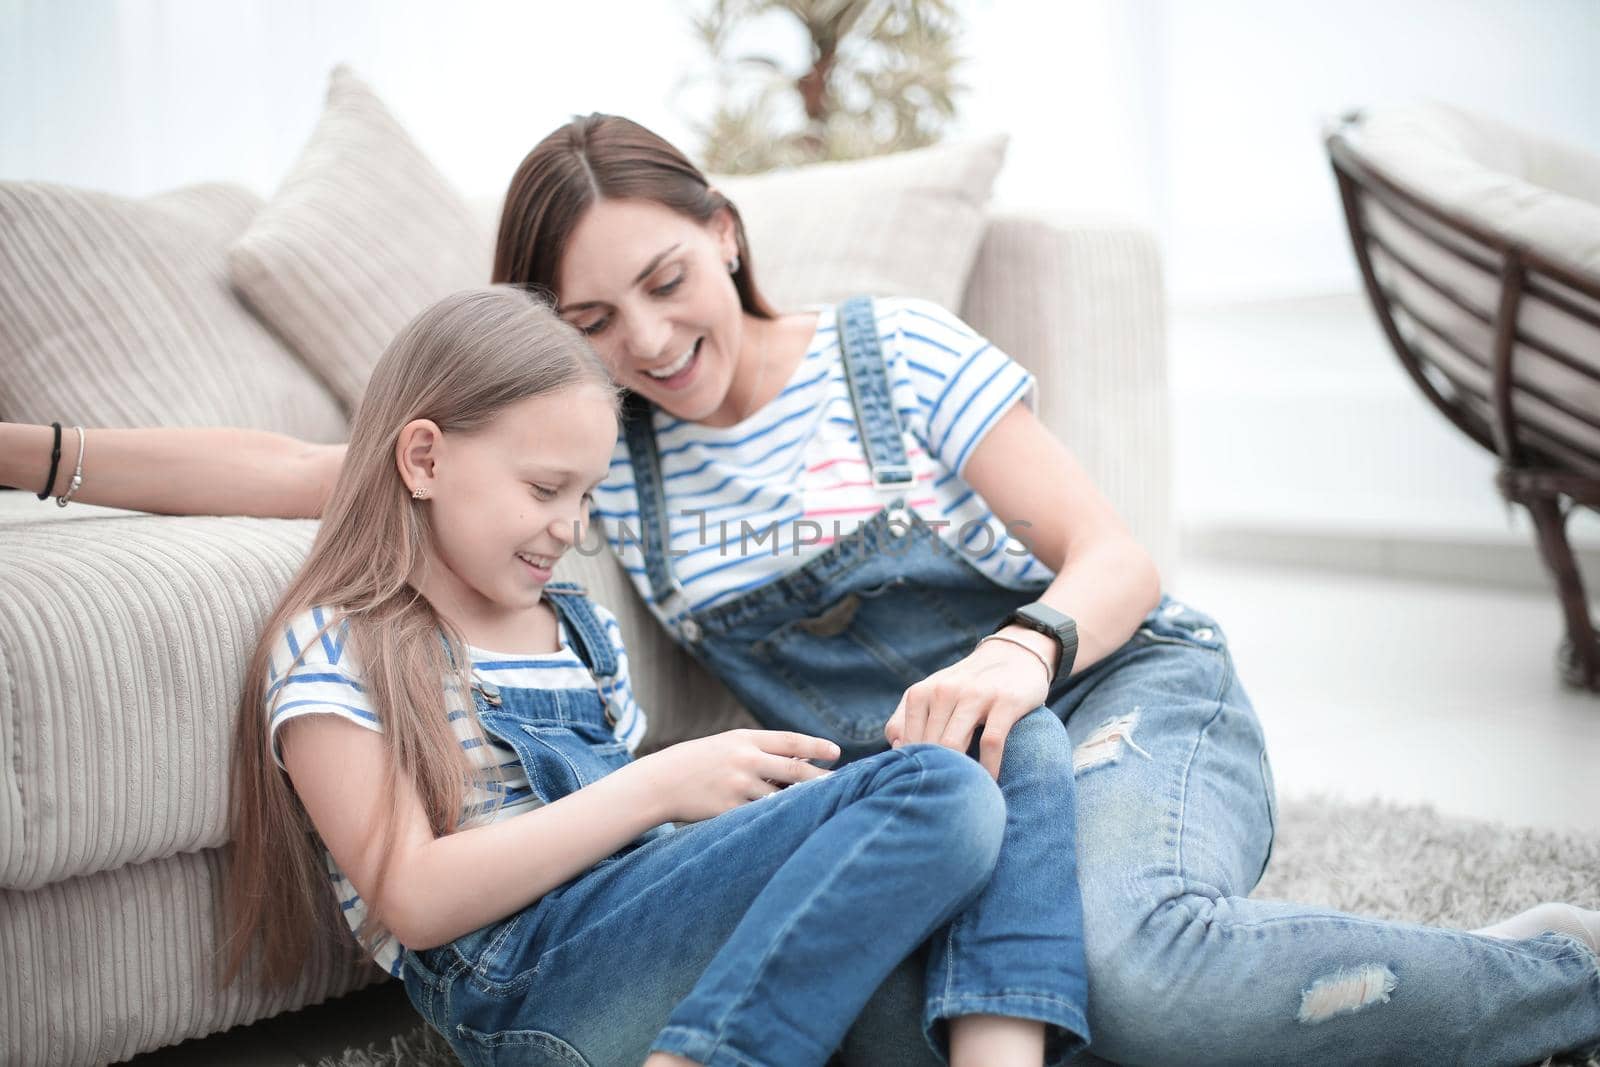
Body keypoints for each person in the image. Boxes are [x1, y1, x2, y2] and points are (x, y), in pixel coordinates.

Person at [3, 113, 1599, 1064]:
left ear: (726, 231)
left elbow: (1116, 558)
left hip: (1121, 694)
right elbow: (300, 467)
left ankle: (1556, 971)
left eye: (666, 280)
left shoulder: (888, 355)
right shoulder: (601, 466)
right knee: (977, 985)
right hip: (947, 773)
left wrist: (1025, 652)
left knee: (1138, 972)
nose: (645, 338)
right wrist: (35, 452)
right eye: (592, 316)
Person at [215, 285, 1090, 1067]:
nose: (568, 526)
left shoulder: (575, 628)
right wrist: (661, 783)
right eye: (544, 486)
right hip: (532, 990)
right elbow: (412, 898)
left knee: (1008, 744)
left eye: (586, 495)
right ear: (425, 459)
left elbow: (659, 879)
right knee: (938, 785)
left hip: (665, 957)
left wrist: (739, 816)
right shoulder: (337, 641)